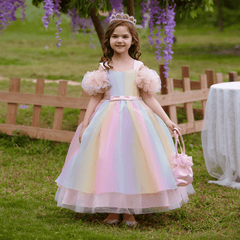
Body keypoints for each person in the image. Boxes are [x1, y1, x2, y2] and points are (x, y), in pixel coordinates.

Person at [55, 12, 195, 227]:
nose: (120, 40)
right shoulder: (105, 67)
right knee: (108, 160)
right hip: (107, 119)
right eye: (115, 37)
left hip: (136, 121)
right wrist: (86, 123)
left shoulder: (139, 68)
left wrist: (167, 121)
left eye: (125, 37)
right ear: (108, 40)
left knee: (133, 161)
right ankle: (113, 209)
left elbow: (149, 97)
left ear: (133, 41)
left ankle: (130, 210)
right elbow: (95, 98)